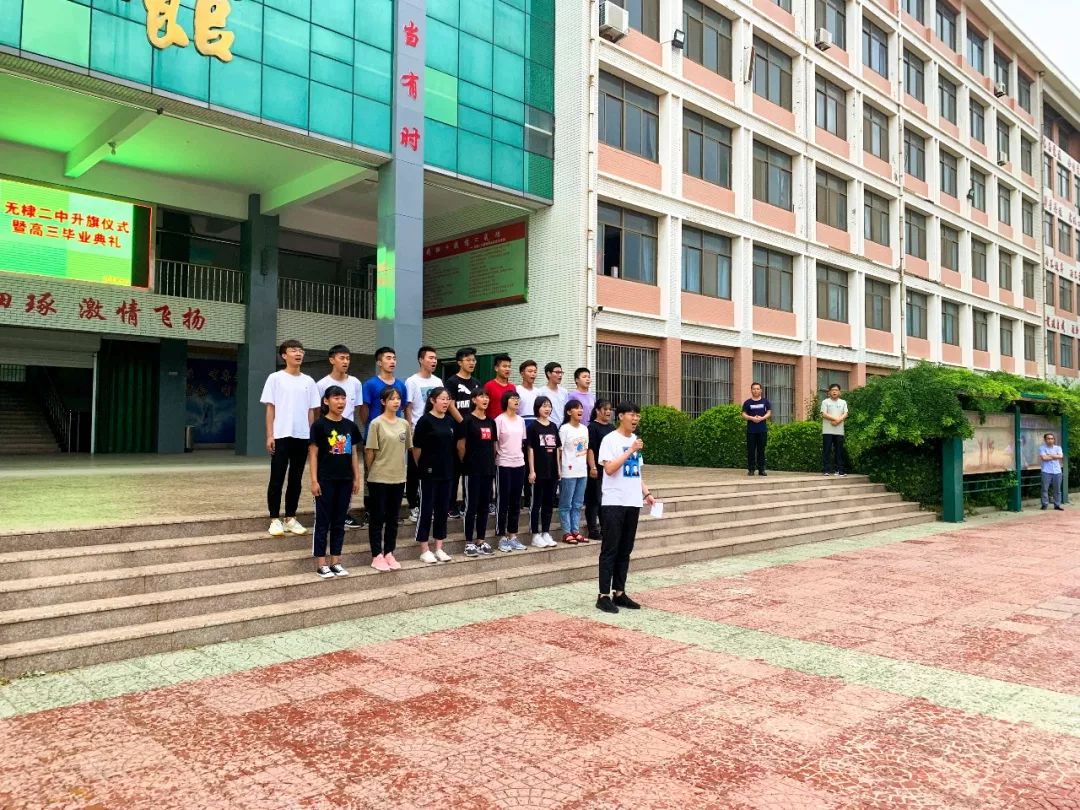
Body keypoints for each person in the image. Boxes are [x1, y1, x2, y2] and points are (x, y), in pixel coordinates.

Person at [596, 402, 656, 614]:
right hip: (614, 501)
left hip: (633, 501)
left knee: (625, 549)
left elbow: (636, 473)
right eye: (632, 414)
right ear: (621, 416)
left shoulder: (634, 440)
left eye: (638, 415)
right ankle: (603, 595)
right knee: (610, 549)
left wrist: (646, 493)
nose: (636, 418)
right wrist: (631, 450)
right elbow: (609, 469)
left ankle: (619, 592)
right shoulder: (610, 440)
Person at [261, 339, 321, 537]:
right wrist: (270, 435)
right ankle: (274, 519)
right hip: (281, 435)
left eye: (301, 350)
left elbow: (311, 411)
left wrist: (311, 437)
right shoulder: (275, 378)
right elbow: (270, 409)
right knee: (277, 478)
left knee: (296, 479)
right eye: (293, 350)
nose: (298, 353)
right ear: (284, 355)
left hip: (302, 436)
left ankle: (290, 518)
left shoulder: (309, 381)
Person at [308, 385, 361, 578]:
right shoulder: (319, 425)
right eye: (336, 398)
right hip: (325, 480)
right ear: (326, 401)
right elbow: (313, 455)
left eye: (343, 398)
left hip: (345, 480)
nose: (340, 402)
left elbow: (353, 453)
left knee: (339, 522)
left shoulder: (350, 426)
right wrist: (314, 481)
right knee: (323, 522)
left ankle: (336, 561)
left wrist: (356, 477)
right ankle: (321, 563)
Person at [317, 344, 365, 530]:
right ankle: (324, 511)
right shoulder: (322, 384)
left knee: (347, 473)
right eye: (341, 358)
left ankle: (344, 513)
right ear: (332, 360)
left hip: (346, 436)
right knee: (327, 474)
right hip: (328, 436)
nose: (345, 362)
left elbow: (357, 410)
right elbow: (317, 411)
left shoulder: (355, 383)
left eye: (348, 358)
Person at [359, 346, 409, 520]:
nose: (392, 361)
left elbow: (404, 408)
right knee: (371, 472)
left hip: (395, 436)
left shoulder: (400, 385)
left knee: (394, 470)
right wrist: (369, 428)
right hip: (375, 435)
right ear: (379, 362)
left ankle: (391, 510)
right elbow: (364, 409)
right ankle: (370, 509)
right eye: (388, 358)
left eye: (394, 358)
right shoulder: (370, 384)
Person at [365, 387, 411, 572]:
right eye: (392, 399)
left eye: (398, 398)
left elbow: (405, 448)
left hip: (398, 477)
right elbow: (370, 452)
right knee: (377, 517)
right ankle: (376, 555)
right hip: (379, 478)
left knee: (393, 518)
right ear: (383, 402)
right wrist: (371, 473)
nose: (396, 402)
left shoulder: (404, 424)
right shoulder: (376, 423)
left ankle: (389, 552)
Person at [412, 387, 456, 564]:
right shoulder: (425, 421)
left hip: (447, 472)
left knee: (442, 510)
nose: (445, 402)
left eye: (447, 399)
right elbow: (417, 449)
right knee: (426, 509)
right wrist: (424, 467)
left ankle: (439, 547)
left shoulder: (449, 421)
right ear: (432, 400)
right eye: (442, 399)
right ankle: (424, 549)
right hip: (429, 473)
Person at [457, 389, 497, 557]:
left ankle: (481, 539)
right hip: (472, 470)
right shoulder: (467, 420)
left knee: (484, 506)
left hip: (488, 469)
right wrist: (467, 463)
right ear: (474, 400)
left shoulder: (491, 421)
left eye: (487, 396)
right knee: (471, 506)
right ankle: (468, 542)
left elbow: (494, 446)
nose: (485, 399)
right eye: (481, 396)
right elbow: (461, 446)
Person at [404, 346, 443, 523]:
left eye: (435, 358)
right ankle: (413, 506)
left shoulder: (438, 381)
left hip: (436, 430)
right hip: (418, 430)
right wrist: (410, 429)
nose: (434, 361)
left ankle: (430, 503)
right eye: (430, 358)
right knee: (414, 469)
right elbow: (408, 407)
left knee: (432, 467)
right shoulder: (412, 381)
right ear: (421, 360)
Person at [446, 347, 483, 518]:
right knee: (455, 469)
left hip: (473, 431)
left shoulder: (476, 382)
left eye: (474, 360)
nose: (472, 363)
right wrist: (463, 422)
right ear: (459, 362)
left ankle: (469, 504)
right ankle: (451, 505)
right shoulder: (452, 382)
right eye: (468, 360)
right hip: (457, 430)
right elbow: (450, 404)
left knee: (471, 468)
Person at [494, 390, 527, 552]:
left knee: (515, 502)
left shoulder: (521, 420)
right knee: (503, 500)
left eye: (517, 398)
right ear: (506, 401)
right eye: (513, 398)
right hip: (503, 464)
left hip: (519, 463)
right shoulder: (499, 420)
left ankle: (513, 535)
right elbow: (495, 443)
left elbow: (522, 442)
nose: (516, 401)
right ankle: (501, 536)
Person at [527, 395, 559, 547]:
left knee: (548, 503)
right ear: (537, 408)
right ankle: (535, 534)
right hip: (538, 471)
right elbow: (530, 449)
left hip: (552, 471)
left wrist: (558, 469)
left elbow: (557, 449)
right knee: (536, 503)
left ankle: (546, 532)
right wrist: (532, 471)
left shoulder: (553, 426)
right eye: (544, 406)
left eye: (549, 406)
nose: (547, 409)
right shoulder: (532, 427)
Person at [558, 399, 590, 544]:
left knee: (577, 504)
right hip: (568, 471)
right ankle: (566, 532)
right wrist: (559, 469)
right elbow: (559, 451)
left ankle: (575, 531)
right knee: (566, 504)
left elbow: (586, 449)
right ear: (569, 412)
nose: (580, 410)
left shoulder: (584, 429)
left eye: (581, 408)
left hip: (582, 471)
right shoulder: (564, 429)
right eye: (576, 408)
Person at [585, 399, 615, 540]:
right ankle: (592, 529)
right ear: (597, 410)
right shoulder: (592, 427)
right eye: (605, 409)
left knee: (605, 500)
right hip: (596, 468)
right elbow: (590, 448)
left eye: (610, 409)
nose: (608, 412)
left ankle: (605, 528)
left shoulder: (611, 428)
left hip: (609, 469)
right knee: (594, 499)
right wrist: (592, 467)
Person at [517, 360, 541, 508]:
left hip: (535, 429)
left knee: (534, 463)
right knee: (523, 463)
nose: (533, 374)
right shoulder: (517, 390)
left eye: (534, 371)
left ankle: (530, 497)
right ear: (522, 373)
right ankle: (520, 497)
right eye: (529, 371)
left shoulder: (538, 392)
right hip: (521, 428)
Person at [741, 382, 772, 476]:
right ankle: (751, 469)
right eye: (754, 389)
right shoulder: (747, 402)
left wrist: (762, 418)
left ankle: (761, 469)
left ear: (761, 390)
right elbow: (743, 414)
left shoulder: (765, 402)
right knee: (751, 450)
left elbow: (769, 412)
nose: (756, 390)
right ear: (751, 390)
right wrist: (751, 418)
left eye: (757, 389)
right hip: (751, 431)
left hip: (762, 430)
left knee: (761, 450)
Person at [820, 383, 848, 476]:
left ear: (839, 392)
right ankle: (826, 470)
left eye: (836, 390)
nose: (834, 392)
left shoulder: (843, 402)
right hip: (827, 430)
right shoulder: (825, 402)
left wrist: (838, 420)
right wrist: (836, 419)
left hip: (839, 431)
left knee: (839, 451)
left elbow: (846, 414)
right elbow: (824, 414)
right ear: (829, 392)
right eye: (832, 390)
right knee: (827, 450)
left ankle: (839, 470)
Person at [484, 353, 517, 419]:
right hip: (493, 423)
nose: (507, 369)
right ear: (496, 368)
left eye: (509, 366)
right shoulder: (489, 386)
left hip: (509, 422)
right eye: (504, 366)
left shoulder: (512, 387)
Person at [1040, 432, 1065, 511]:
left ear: (1054, 440)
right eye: (1048, 439)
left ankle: (1057, 505)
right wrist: (1055, 456)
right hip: (1046, 471)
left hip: (1057, 471)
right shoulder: (1042, 448)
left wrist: (1050, 455)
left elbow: (1061, 456)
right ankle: (1044, 504)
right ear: (1045, 440)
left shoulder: (1058, 448)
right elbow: (1044, 458)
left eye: (1052, 439)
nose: (1050, 440)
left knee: (1057, 489)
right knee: (1044, 489)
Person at [542, 361, 569, 427]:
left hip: (563, 427)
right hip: (548, 427)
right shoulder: (541, 392)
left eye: (561, 373)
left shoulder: (564, 392)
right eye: (557, 372)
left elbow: (567, 410)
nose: (560, 375)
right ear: (549, 374)